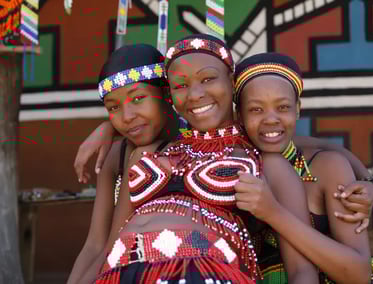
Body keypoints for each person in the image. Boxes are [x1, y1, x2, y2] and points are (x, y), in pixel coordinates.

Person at [92, 34, 318, 284]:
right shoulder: (148, 154)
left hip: (203, 275)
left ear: (232, 83)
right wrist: (106, 128)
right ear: (170, 95)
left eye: (208, 79)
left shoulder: (265, 163)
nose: (195, 94)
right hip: (121, 274)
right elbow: (107, 249)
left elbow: (302, 271)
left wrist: (366, 180)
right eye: (181, 85)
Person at [234, 52, 372, 283]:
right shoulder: (226, 170)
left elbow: (359, 274)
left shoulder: (326, 168)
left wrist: (273, 213)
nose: (271, 119)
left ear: (298, 108)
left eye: (283, 107)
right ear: (239, 115)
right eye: (256, 109)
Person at [67, 44, 180, 284]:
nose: (126, 117)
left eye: (138, 99)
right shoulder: (115, 158)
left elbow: (112, 249)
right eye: (113, 108)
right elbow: (95, 245)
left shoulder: (200, 142)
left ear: (166, 93)